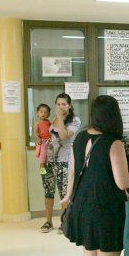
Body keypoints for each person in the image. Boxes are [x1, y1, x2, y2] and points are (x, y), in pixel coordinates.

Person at [62, 95, 129, 256]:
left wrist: (67, 197)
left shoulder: (80, 137)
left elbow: (73, 172)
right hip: (106, 208)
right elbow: (122, 183)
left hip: (82, 205)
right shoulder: (113, 143)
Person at [41, 93, 81, 234]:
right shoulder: (53, 119)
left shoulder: (74, 120)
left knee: (64, 193)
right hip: (49, 160)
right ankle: (48, 221)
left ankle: (65, 222)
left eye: (64, 104)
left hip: (64, 161)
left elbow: (64, 136)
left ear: (69, 105)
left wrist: (59, 118)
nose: (60, 107)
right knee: (48, 191)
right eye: (58, 104)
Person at [33, 104, 52, 175]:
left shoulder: (49, 123)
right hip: (43, 140)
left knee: (50, 153)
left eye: (45, 112)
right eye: (41, 112)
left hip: (50, 140)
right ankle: (41, 165)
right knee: (43, 151)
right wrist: (38, 138)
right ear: (37, 113)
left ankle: (49, 165)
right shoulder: (37, 123)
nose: (43, 114)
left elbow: (51, 131)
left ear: (49, 114)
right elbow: (35, 133)